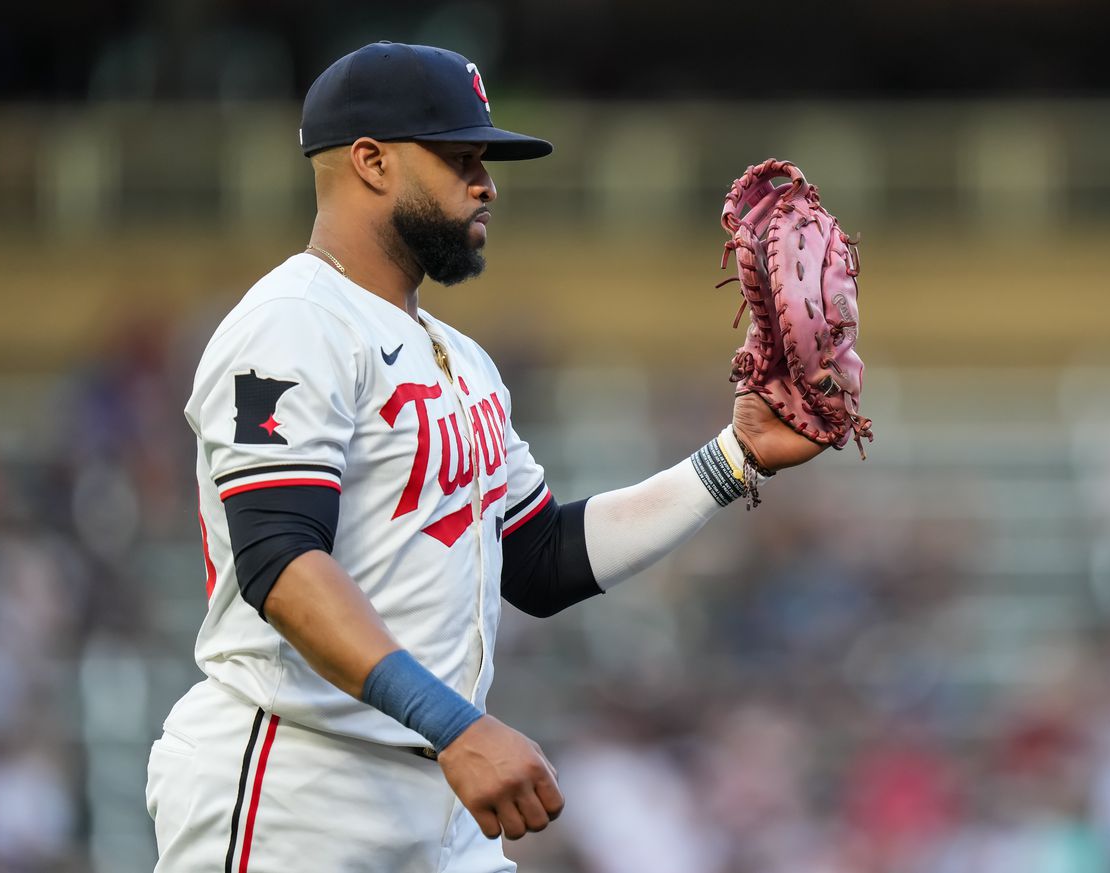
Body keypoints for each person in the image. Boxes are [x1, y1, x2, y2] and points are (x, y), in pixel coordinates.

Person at [146, 41, 824, 873]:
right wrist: (457, 724)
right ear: (370, 160)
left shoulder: (460, 358)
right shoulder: (294, 320)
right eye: (460, 157)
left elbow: (537, 558)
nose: (486, 183)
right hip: (294, 786)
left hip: (436, 797)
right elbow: (280, 563)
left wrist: (735, 457)